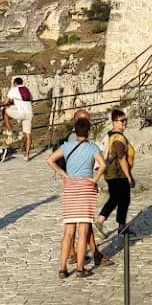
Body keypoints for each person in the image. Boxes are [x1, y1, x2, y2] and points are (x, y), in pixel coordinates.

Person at [46, 117, 105, 278]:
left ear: (75, 131)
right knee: (83, 231)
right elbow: (103, 164)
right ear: (88, 131)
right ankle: (80, 268)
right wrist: (95, 179)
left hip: (70, 189)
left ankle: (62, 268)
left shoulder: (67, 146)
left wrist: (64, 174)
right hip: (86, 189)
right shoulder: (92, 148)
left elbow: (50, 160)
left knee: (68, 232)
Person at [97, 107, 135, 234]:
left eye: (125, 120)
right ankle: (101, 221)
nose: (124, 123)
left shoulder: (111, 135)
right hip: (118, 173)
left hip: (111, 173)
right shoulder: (118, 138)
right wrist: (129, 176)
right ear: (114, 122)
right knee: (118, 199)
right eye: (121, 121)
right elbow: (121, 158)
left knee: (122, 199)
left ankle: (121, 226)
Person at [6, 76, 34, 159]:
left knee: (5, 111)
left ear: (15, 83)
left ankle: (9, 130)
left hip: (20, 113)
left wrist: (11, 102)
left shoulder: (13, 90)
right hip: (29, 113)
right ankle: (27, 155)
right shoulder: (26, 89)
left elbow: (6, 102)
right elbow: (31, 99)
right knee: (28, 134)